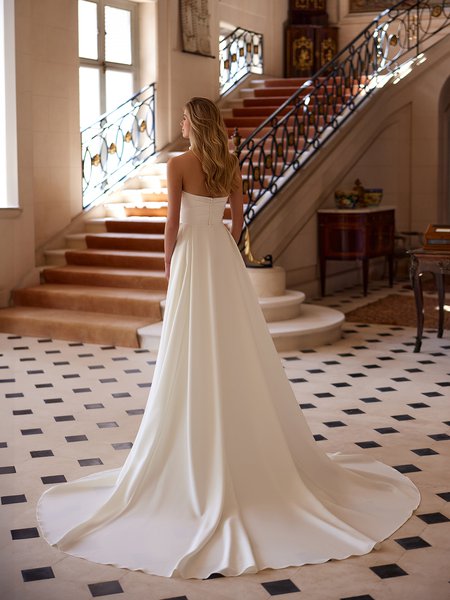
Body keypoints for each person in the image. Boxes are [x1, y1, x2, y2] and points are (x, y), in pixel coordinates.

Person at [37, 97, 420, 579]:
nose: (178, 123)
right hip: (220, 252)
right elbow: (240, 218)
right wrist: (227, 243)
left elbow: (171, 224)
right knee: (234, 336)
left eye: (181, 118)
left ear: (192, 123)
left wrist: (169, 267)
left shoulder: (179, 163)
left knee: (192, 337)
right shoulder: (228, 163)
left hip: (195, 254)